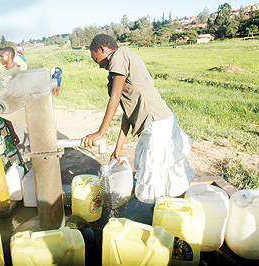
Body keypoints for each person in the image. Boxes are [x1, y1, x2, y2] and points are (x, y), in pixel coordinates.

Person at [81, 34, 195, 203]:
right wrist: (118, 147)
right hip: (156, 123)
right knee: (165, 176)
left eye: (97, 60)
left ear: (102, 49)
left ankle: (169, 215)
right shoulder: (117, 68)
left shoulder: (119, 55)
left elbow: (115, 97)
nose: (99, 66)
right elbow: (128, 112)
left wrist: (100, 132)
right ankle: (167, 213)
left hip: (157, 122)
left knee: (162, 177)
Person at [0, 47, 29, 154]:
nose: (0, 58)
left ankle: (23, 154)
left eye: (2, 56)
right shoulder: (2, 70)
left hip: (15, 106)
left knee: (18, 129)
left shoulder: (17, 71)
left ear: (9, 56)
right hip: (3, 105)